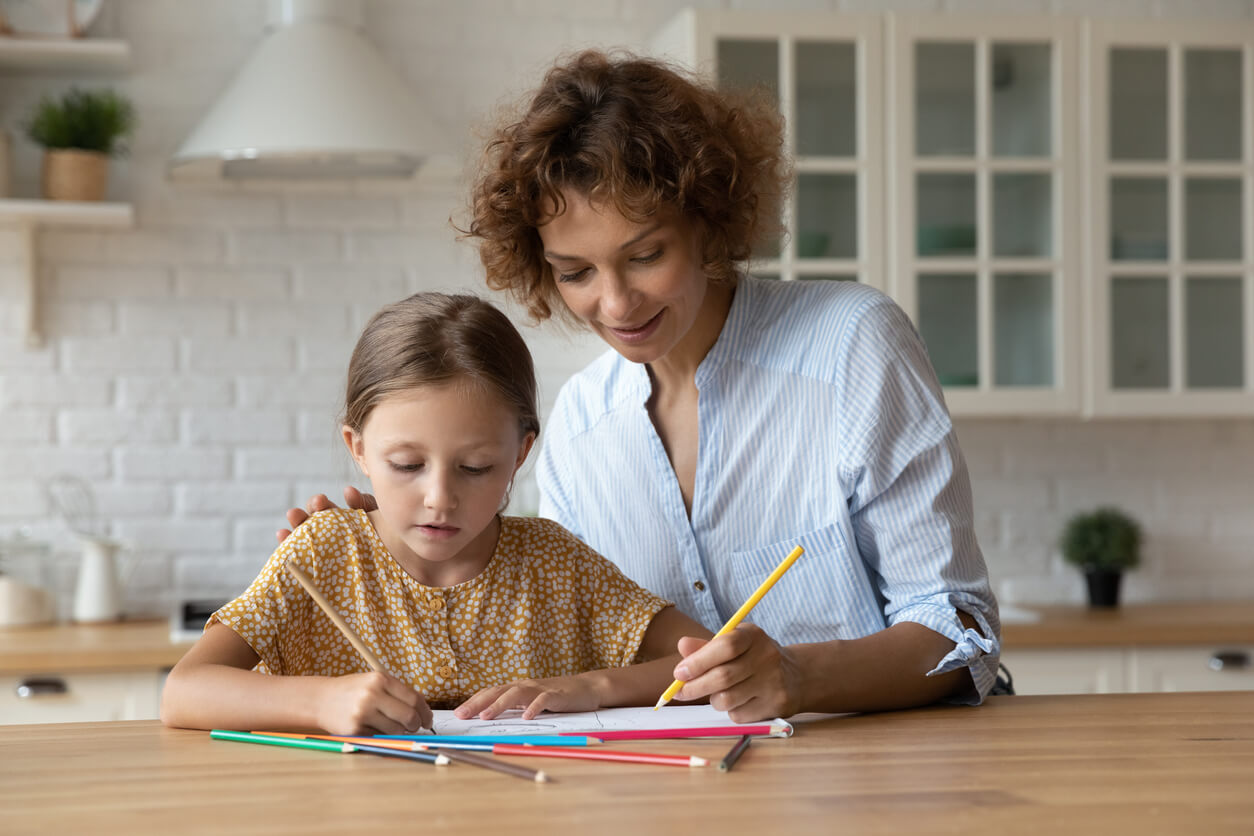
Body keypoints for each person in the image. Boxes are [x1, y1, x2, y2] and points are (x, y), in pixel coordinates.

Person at [283, 49, 1002, 723]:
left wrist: (800, 676)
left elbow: (958, 626)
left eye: (646, 254)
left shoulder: (850, 344)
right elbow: (563, 621)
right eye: (576, 273)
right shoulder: (581, 424)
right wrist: (399, 532)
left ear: (710, 220)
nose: (617, 303)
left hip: (877, 775)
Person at [163, 292, 710, 735]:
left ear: (520, 452)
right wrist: (320, 701)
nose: (439, 498)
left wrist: (594, 687)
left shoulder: (553, 559)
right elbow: (185, 691)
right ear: (358, 448)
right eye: (406, 465)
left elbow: (706, 658)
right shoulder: (324, 550)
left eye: (475, 468)